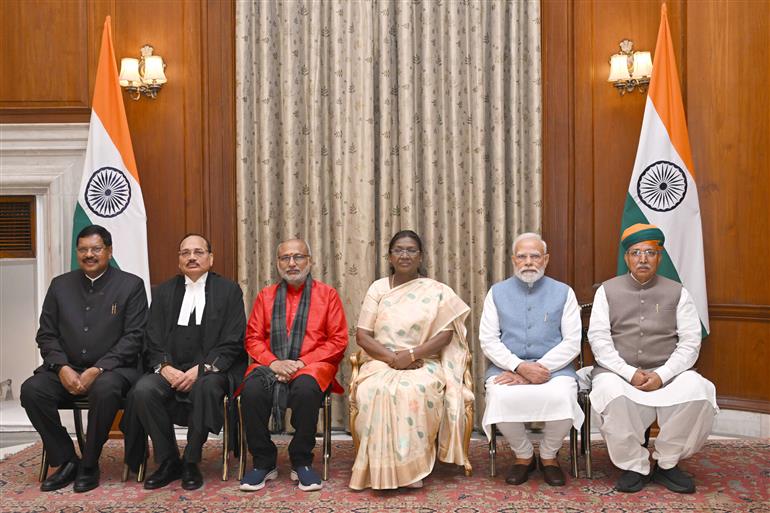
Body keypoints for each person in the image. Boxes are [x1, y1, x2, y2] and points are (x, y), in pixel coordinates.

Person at [588, 223, 717, 494]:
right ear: (627, 258)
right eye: (636, 253)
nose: (643, 259)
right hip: (618, 373)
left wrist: (662, 375)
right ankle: (634, 465)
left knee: (700, 391)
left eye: (650, 252)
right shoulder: (607, 291)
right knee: (610, 392)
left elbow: (690, 343)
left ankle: (667, 462)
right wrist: (628, 373)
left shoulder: (678, 291)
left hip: (667, 372)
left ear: (659, 257)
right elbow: (599, 341)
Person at [20, 224, 148, 492]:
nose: (89, 254)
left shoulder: (131, 285)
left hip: (115, 370)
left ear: (109, 251)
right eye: (83, 250)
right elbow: (46, 334)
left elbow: (134, 338)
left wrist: (98, 368)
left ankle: (89, 463)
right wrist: (62, 367)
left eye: (96, 249)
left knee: (106, 388)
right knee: (32, 390)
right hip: (67, 368)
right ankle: (66, 459)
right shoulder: (60, 285)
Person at [349, 230, 473, 490]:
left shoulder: (437, 290)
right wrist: (395, 358)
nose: (404, 255)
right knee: (374, 390)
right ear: (390, 256)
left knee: (414, 391)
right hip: (381, 360)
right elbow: (362, 335)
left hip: (424, 360)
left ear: (421, 257)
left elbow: (446, 335)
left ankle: (412, 469)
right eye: (399, 250)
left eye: (411, 250)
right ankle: (379, 467)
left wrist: (413, 354)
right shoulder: (378, 288)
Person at [121, 234, 246, 490]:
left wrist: (201, 369)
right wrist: (164, 368)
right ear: (178, 260)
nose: (191, 257)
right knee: (143, 390)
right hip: (169, 370)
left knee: (206, 387)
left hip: (212, 371)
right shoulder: (164, 291)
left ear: (210, 259)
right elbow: (152, 337)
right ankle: (168, 461)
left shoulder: (229, 290)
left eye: (198, 252)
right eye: (185, 253)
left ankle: (191, 460)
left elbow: (233, 340)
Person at [239, 239, 348, 492]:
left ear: (309, 260)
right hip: (270, 364)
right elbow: (253, 338)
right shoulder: (266, 296)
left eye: (298, 257)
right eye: (284, 258)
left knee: (307, 388)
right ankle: (264, 462)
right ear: (277, 263)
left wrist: (301, 363)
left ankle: (301, 461)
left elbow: (338, 340)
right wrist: (274, 362)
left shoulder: (327, 295)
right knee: (252, 390)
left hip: (312, 365)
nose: (291, 263)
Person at [479, 233, 583, 486]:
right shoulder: (496, 293)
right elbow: (488, 340)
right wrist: (520, 367)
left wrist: (541, 368)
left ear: (545, 260)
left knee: (564, 397)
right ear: (514, 259)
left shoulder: (564, 292)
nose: (528, 262)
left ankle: (548, 455)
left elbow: (572, 341)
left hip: (555, 369)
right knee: (500, 397)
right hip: (508, 369)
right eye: (522, 256)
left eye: (535, 256)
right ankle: (524, 455)